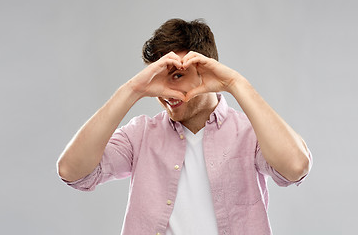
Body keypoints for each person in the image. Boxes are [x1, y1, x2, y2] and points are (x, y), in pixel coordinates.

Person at [57, 18, 312, 235]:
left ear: (206, 70)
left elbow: (295, 167)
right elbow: (72, 170)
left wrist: (235, 83)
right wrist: (133, 89)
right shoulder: (141, 134)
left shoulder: (249, 132)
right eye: (159, 76)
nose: (167, 90)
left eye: (177, 75)